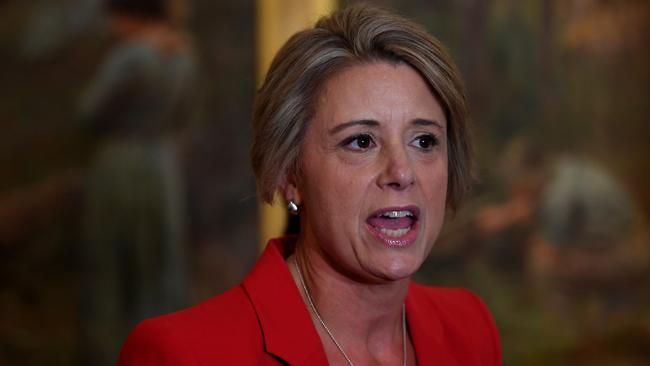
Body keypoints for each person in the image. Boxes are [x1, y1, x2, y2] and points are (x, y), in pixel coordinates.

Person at [118, 4, 501, 365]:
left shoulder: (470, 327)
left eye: (424, 141)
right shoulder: (181, 355)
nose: (402, 172)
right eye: (361, 142)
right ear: (289, 174)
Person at [79, 0, 196, 364]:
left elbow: (89, 111)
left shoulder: (130, 57)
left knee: (113, 262)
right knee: (157, 261)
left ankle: (114, 354)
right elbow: (184, 114)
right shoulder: (182, 54)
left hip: (121, 163)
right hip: (161, 166)